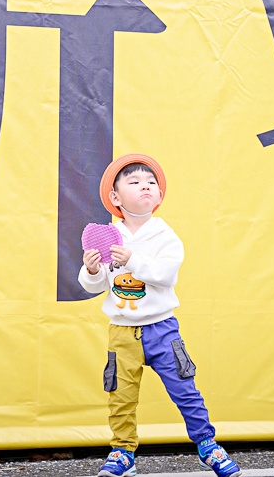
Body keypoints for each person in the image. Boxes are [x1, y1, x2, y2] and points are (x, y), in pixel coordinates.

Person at [79, 153, 242, 477]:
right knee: (120, 396)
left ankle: (207, 445)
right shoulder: (107, 236)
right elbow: (93, 285)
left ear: (160, 196)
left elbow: (166, 275)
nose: (146, 187)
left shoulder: (167, 236)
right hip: (121, 332)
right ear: (115, 197)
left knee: (185, 388)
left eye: (152, 183)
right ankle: (122, 452)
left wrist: (133, 260)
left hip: (162, 328)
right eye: (135, 182)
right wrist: (92, 269)